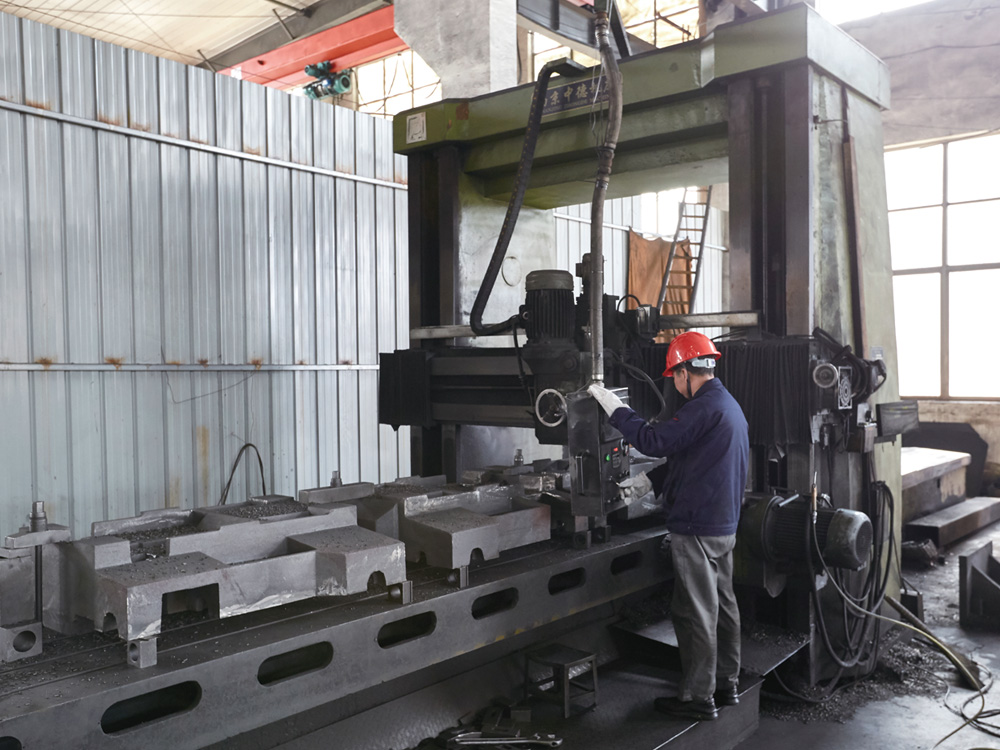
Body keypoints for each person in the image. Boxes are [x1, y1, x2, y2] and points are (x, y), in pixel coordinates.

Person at [588, 331, 749, 721]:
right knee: (723, 605)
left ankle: (698, 697)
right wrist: (650, 482)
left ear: (684, 372)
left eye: (674, 377)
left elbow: (653, 440)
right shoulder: (727, 405)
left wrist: (616, 409)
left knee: (695, 612)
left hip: (696, 528)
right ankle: (726, 683)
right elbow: (692, 460)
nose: (674, 385)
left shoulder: (702, 407)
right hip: (722, 525)